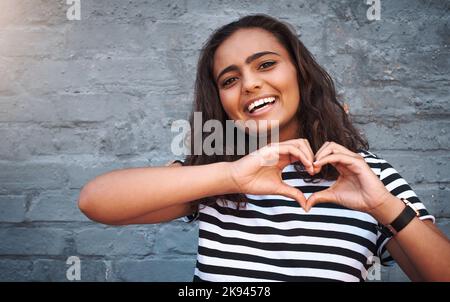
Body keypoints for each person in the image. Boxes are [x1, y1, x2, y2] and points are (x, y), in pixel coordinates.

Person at [78, 14, 450, 282]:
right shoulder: (217, 176)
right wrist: (232, 173)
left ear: (300, 74)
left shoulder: (369, 176)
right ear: (221, 101)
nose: (250, 84)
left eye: (266, 64)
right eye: (230, 79)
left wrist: (384, 207)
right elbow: (96, 201)